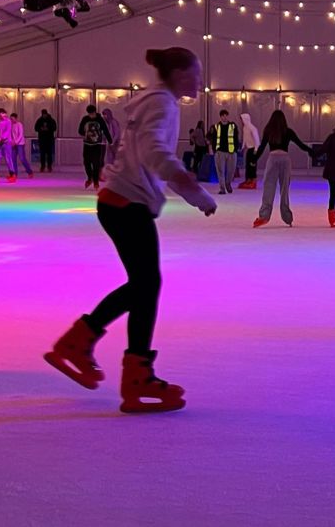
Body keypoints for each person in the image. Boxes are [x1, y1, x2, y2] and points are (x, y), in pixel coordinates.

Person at [44, 47, 215, 414]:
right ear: (178, 74)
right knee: (146, 285)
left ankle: (120, 364)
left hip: (121, 201)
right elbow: (155, 152)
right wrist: (194, 190)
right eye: (194, 72)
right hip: (126, 203)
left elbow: (147, 153)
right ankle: (111, 360)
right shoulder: (163, 104)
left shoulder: (156, 100)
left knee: (145, 285)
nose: (199, 80)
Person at [252, 109, 313, 227]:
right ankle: (287, 218)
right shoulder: (288, 131)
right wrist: (311, 152)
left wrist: (254, 159)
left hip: (273, 159)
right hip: (285, 160)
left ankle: (264, 216)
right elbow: (300, 144)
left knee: (268, 187)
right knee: (284, 189)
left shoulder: (268, 131)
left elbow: (262, 147)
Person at [78, 105, 111, 190]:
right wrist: (85, 133)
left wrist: (110, 140)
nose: (91, 115)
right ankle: (90, 177)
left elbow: (105, 130)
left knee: (96, 163)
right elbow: (80, 130)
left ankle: (96, 181)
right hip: (87, 145)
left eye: (92, 113)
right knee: (87, 163)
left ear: (95, 112)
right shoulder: (85, 119)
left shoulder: (100, 120)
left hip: (97, 145)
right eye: (89, 114)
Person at [209, 109, 241, 195]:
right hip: (220, 152)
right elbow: (212, 138)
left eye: (226, 115)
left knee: (231, 170)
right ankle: (222, 188)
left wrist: (236, 148)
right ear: (220, 117)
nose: (224, 117)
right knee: (220, 171)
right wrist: (214, 149)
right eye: (223, 115)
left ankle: (228, 183)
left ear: (228, 116)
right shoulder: (216, 126)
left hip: (231, 151)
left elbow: (236, 137)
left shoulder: (233, 126)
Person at [239, 112, 261, 189]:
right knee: (248, 165)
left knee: (252, 165)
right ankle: (248, 179)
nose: (241, 121)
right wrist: (242, 147)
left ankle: (253, 180)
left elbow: (257, 140)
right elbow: (245, 139)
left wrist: (256, 150)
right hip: (249, 149)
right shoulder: (245, 128)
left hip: (253, 149)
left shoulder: (252, 128)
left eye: (242, 119)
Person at [10, 112, 34, 178]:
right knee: (13, 159)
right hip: (13, 144)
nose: (11, 120)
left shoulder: (19, 124)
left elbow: (21, 135)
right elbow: (11, 135)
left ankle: (29, 171)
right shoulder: (11, 125)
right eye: (11, 119)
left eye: (12, 119)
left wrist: (16, 142)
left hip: (20, 144)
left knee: (22, 158)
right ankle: (14, 174)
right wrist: (12, 142)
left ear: (16, 118)